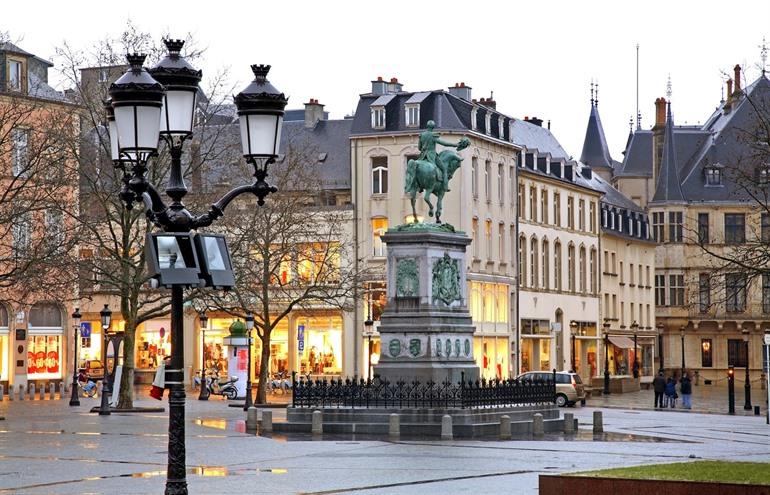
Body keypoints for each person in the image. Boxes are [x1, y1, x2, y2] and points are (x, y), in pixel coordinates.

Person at [417, 120, 461, 193]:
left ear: (427, 126)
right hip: (431, 156)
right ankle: (445, 186)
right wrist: (455, 145)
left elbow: (419, 148)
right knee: (444, 170)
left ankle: (419, 186)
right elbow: (444, 143)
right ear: (433, 127)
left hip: (422, 156)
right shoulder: (433, 135)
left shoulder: (422, 135)